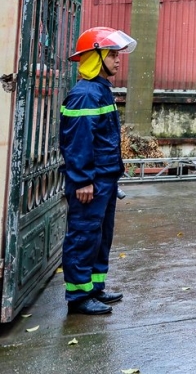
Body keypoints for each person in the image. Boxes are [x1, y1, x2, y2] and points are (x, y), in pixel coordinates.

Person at [60, 27, 137, 315]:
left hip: (103, 179)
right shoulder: (85, 95)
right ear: (96, 57)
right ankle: (78, 298)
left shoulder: (100, 91)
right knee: (83, 234)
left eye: (118, 55)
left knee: (100, 235)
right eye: (113, 55)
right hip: (90, 182)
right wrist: (82, 181)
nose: (118, 60)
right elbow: (78, 143)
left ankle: (94, 287)